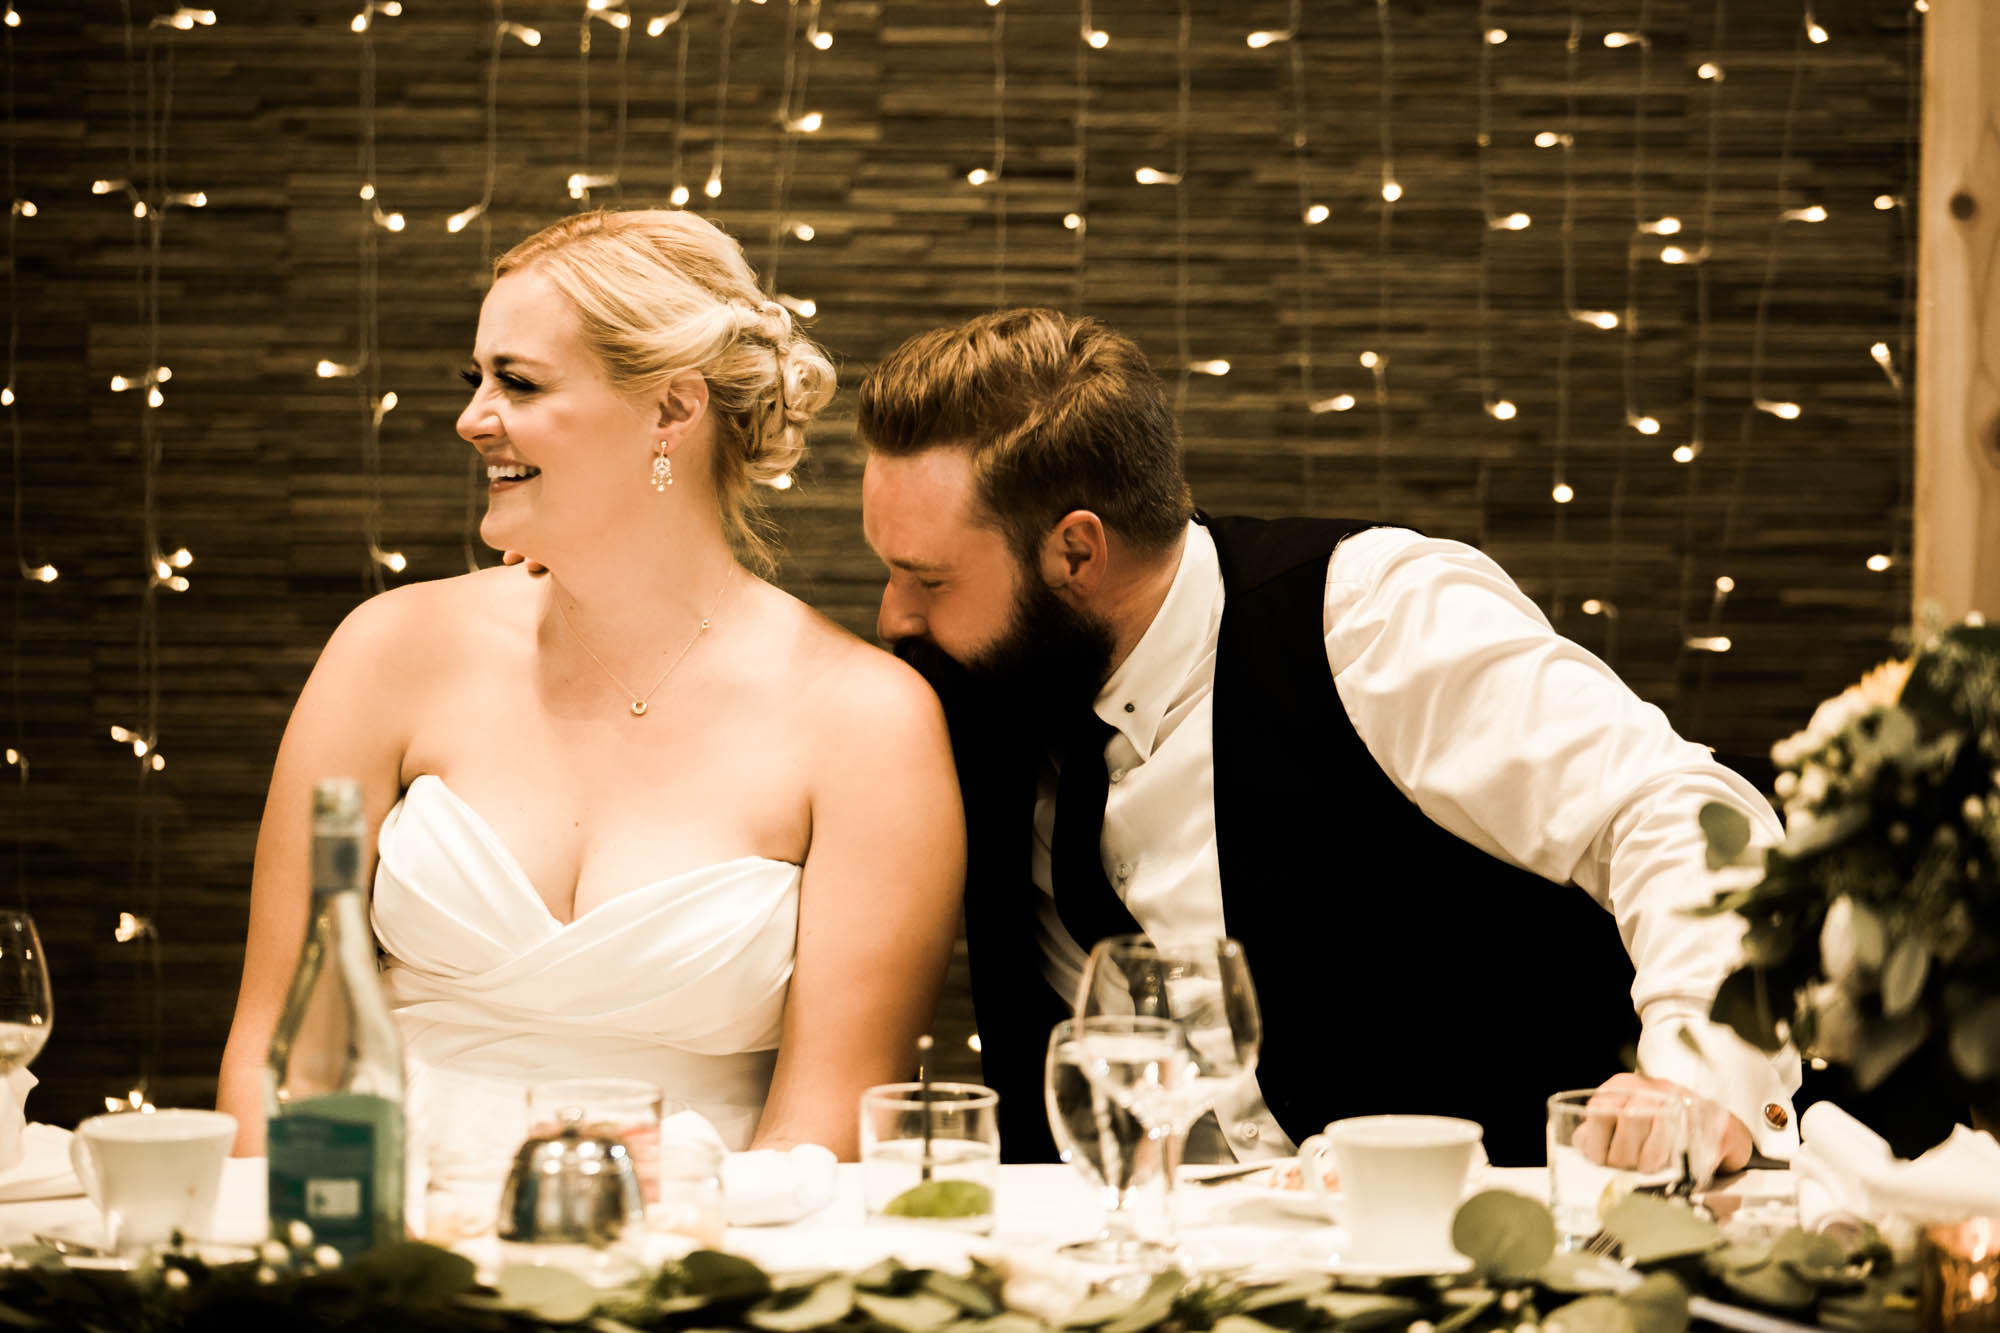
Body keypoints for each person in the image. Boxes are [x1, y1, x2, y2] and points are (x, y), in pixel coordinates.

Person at [855, 306, 1800, 1170]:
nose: (894, 615)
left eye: (928, 579)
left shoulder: (1373, 616)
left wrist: (1697, 1078)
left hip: (1485, 1236)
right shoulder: (972, 692)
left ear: (1076, 551)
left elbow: (1679, 811)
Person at [217, 210, 964, 1176]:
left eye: (519, 382)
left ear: (672, 410)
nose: (473, 418)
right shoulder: (388, 650)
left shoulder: (866, 720)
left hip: (709, 1240)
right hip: (376, 1222)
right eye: (476, 380)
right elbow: (272, 1050)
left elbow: (819, 1136)